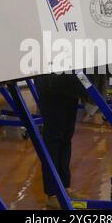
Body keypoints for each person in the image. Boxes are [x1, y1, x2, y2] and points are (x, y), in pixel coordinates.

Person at [34, 73, 87, 209]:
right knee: (54, 136)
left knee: (66, 135)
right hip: (50, 79)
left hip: (68, 79)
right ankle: (52, 193)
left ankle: (64, 187)